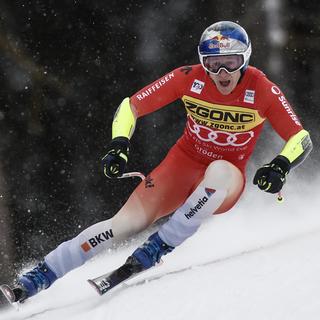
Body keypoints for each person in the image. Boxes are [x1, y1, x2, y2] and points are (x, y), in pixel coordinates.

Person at [7, 21, 313, 302]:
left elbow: (300, 137)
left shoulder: (262, 89)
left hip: (225, 180)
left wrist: (280, 166)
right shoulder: (189, 78)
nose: (222, 74)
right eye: (213, 64)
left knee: (219, 171)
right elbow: (131, 106)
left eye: (230, 63)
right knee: (122, 225)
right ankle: (39, 276)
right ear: (202, 62)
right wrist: (119, 144)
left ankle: (157, 246)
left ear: (244, 60)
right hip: (181, 166)